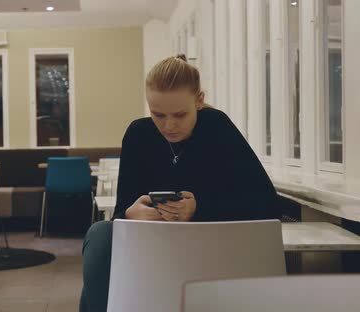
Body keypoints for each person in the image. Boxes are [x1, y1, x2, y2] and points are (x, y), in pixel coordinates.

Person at [78, 54, 280, 312]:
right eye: (158, 114)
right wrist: (130, 213)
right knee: (99, 234)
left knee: (94, 283)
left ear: (199, 100)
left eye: (180, 114)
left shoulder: (218, 127)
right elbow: (121, 213)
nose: (169, 125)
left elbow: (267, 204)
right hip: (152, 247)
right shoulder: (138, 134)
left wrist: (199, 209)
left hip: (210, 247)